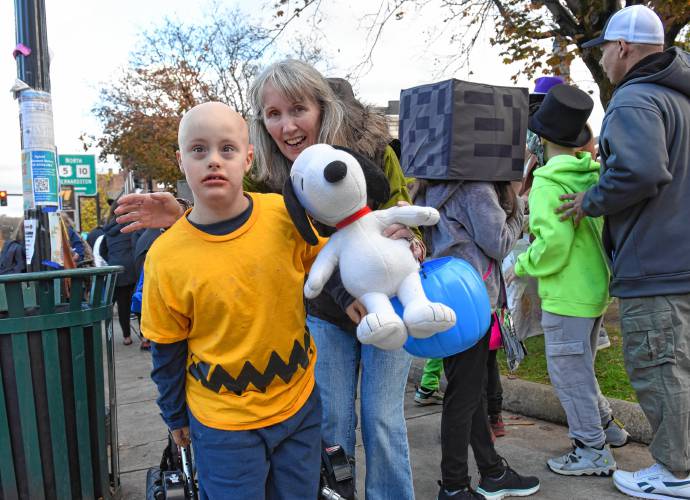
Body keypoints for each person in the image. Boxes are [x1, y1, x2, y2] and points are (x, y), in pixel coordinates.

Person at [116, 61, 423, 498]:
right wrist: (185, 217)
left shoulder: (370, 153)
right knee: (334, 426)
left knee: (383, 419)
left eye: (297, 109)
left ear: (322, 108)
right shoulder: (268, 175)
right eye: (272, 114)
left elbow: (401, 212)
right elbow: (232, 231)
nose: (287, 125)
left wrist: (409, 242)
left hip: (383, 298)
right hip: (318, 315)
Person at [143, 102, 325, 499]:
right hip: (222, 423)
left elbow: (328, 262)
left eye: (226, 149)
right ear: (181, 160)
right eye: (198, 150)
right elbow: (166, 345)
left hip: (299, 404)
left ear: (247, 157)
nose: (213, 160)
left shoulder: (283, 215)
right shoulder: (165, 256)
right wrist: (174, 415)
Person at [556, 5, 690, 498]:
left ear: (623, 48)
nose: (605, 60)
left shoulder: (634, 100)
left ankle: (676, 474)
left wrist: (590, 201)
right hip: (681, 258)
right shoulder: (680, 98)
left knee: (660, 370)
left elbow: (640, 171)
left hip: (655, 263)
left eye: (606, 49)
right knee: (679, 365)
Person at [507, 84, 629, 477]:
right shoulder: (590, 174)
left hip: (566, 295)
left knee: (569, 375)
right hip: (594, 291)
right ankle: (607, 428)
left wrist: (521, 263)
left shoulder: (545, 182)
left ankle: (592, 449)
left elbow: (553, 245)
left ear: (540, 140)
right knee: (582, 369)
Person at [415, 173, 540, 498]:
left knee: (471, 391)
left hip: (447, 295)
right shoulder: (475, 186)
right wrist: (518, 210)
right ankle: (455, 485)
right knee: (464, 395)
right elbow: (498, 243)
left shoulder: (431, 183)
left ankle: (492, 470)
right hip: (471, 300)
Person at [101, 201, 138, 345]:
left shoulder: (108, 231)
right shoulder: (132, 226)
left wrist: (112, 260)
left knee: (123, 305)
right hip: (133, 268)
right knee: (138, 300)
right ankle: (145, 336)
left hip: (116, 270)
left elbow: (102, 251)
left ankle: (126, 337)